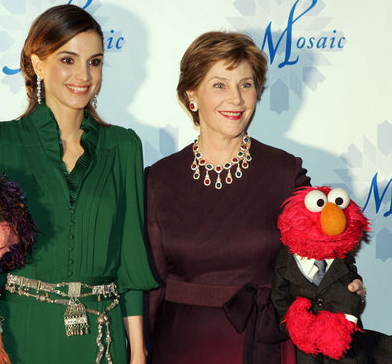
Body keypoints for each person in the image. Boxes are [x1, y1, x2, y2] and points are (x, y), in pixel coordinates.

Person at [145, 31, 364, 364]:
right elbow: (149, 283)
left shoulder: (283, 171)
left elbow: (319, 255)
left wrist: (347, 287)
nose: (236, 99)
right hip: (179, 346)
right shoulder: (159, 179)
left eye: (245, 85)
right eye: (220, 85)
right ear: (192, 95)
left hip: (263, 344)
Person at [0, 4, 157, 364]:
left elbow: (131, 261)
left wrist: (137, 352)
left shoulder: (123, 147)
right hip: (21, 334)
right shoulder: (0, 142)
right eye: (68, 60)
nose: (84, 75)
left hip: (101, 339)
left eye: (95, 61)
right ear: (38, 63)